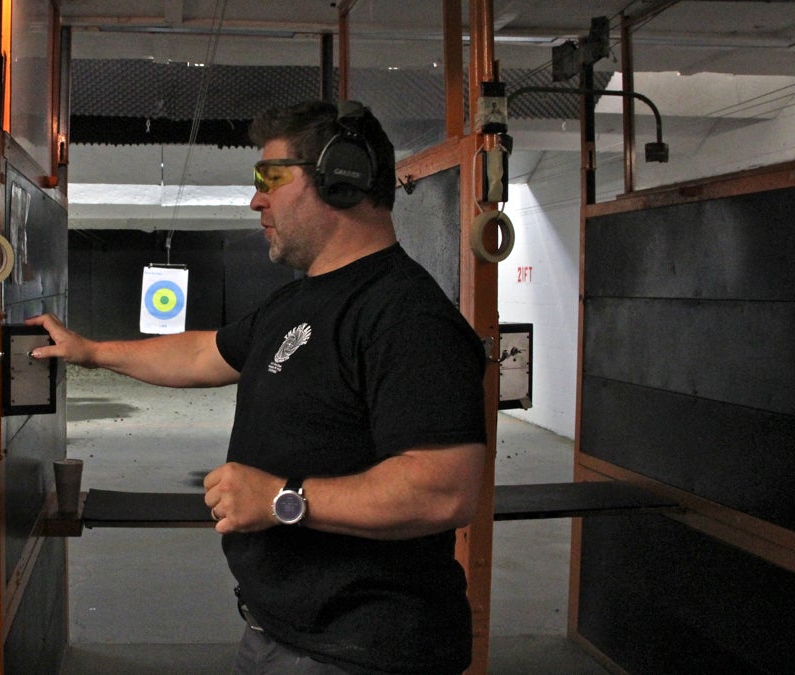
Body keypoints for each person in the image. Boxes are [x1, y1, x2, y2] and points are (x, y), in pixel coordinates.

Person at [27, 100, 488, 674]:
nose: (256, 199)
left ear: (341, 180)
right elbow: (202, 352)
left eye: (271, 179)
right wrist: (90, 352)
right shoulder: (299, 299)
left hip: (366, 651)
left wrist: (279, 498)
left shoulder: (405, 316)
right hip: (281, 634)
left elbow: (444, 490)